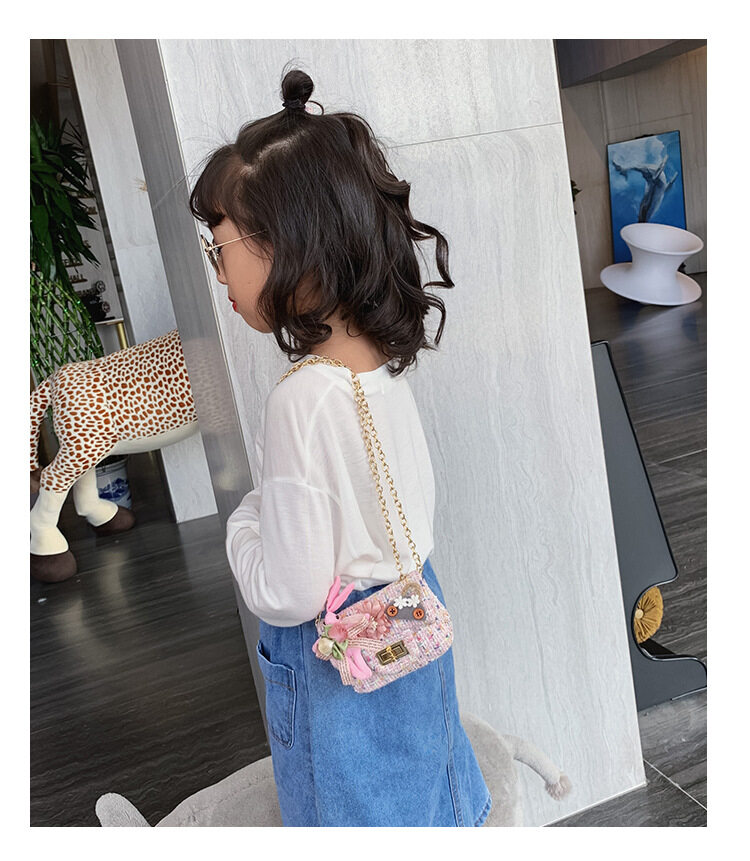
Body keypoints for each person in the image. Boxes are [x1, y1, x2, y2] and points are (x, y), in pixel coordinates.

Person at [189, 64, 492, 827]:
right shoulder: (380, 371)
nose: (219, 271)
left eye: (219, 247)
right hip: (409, 624)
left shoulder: (300, 398)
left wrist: (242, 523)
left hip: (341, 668)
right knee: (421, 786)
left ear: (284, 243)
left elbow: (289, 592)